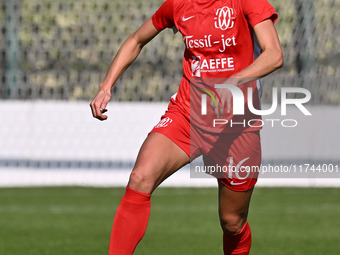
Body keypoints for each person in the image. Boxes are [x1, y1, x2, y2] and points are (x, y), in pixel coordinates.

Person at [90, 0, 283, 254]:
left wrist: (235, 80)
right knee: (140, 178)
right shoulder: (178, 4)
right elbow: (136, 39)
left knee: (232, 222)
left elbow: (274, 54)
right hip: (187, 114)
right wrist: (106, 85)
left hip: (237, 126)